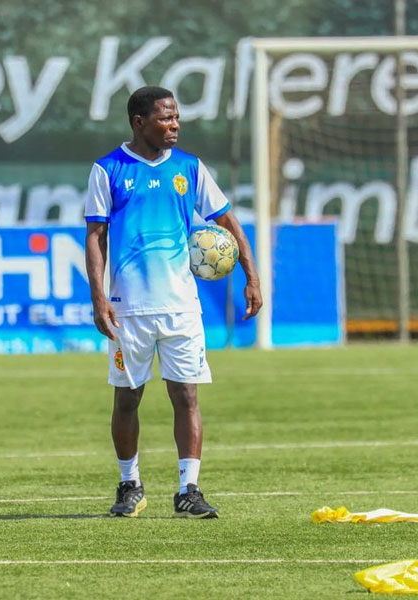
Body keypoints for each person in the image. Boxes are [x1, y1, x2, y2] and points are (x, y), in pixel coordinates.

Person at [84, 86, 262, 519]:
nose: (175, 125)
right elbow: (96, 237)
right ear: (139, 122)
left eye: (177, 117)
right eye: (165, 118)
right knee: (127, 398)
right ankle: (129, 484)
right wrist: (99, 299)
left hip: (182, 306)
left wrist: (251, 275)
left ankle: (188, 490)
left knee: (186, 396)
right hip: (129, 308)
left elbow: (227, 220)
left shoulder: (190, 168)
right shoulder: (108, 169)